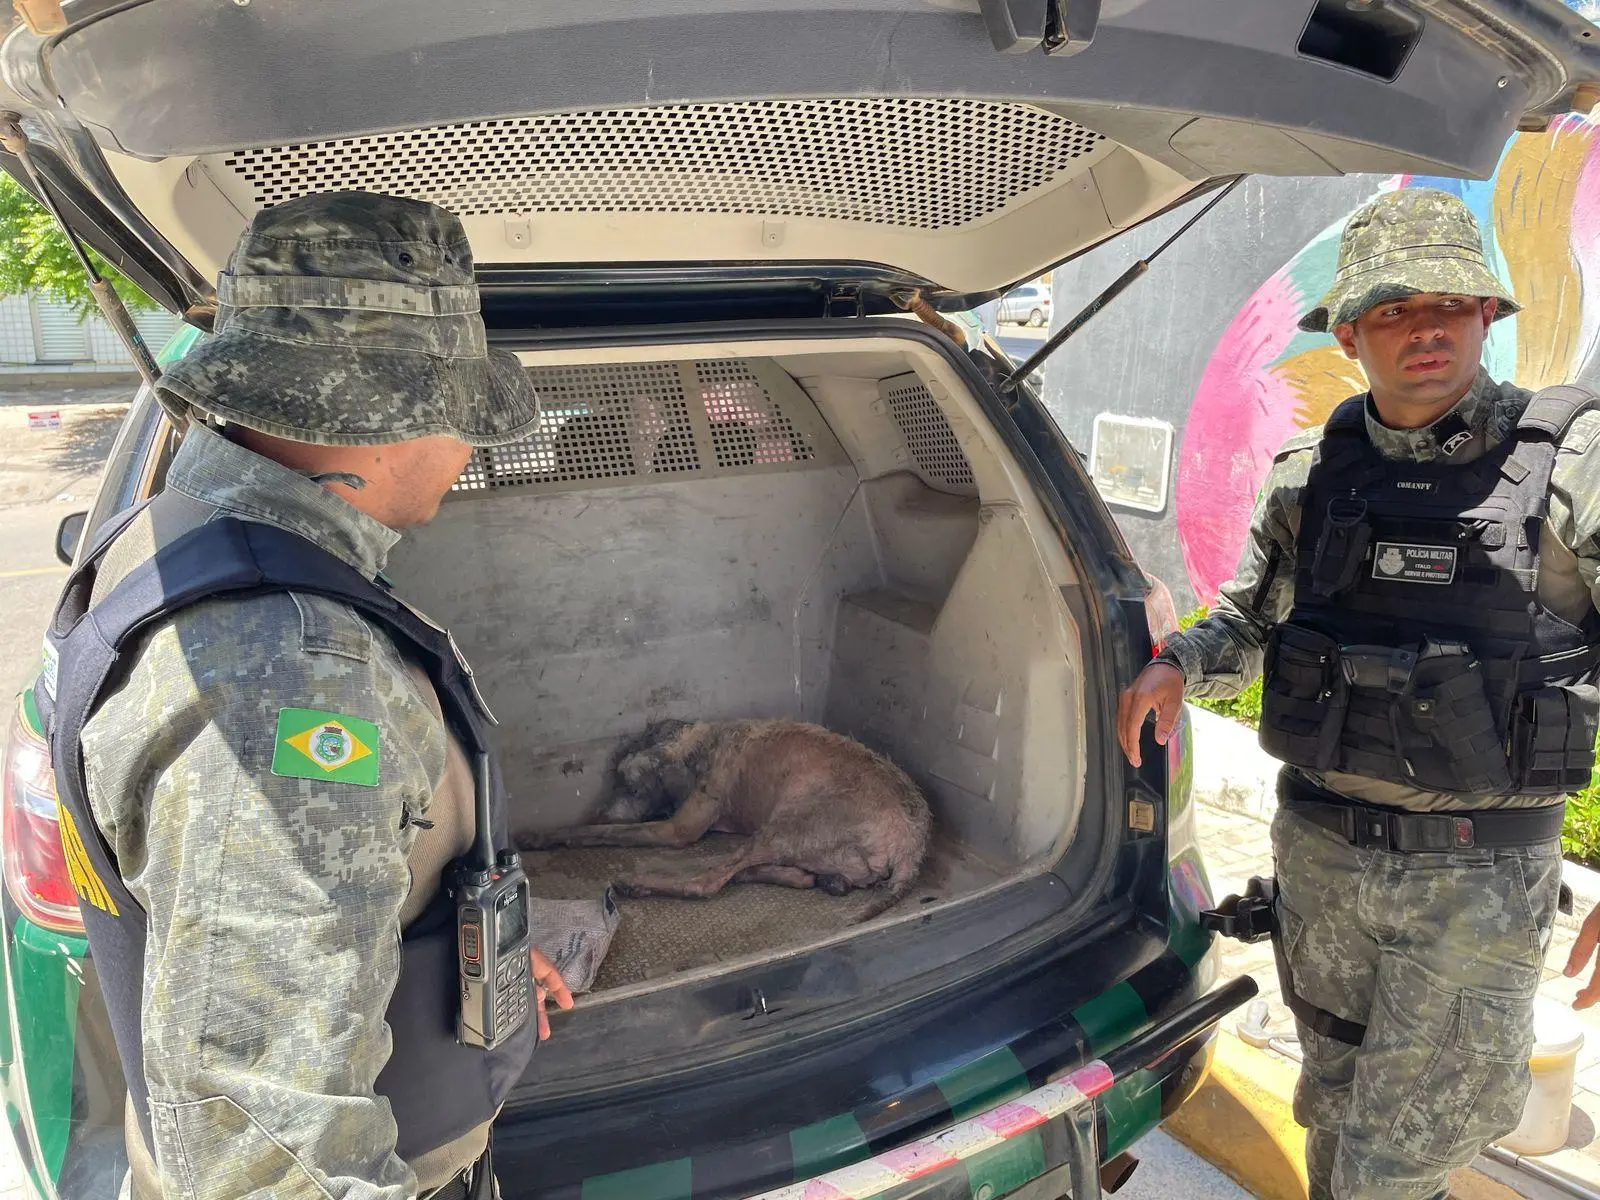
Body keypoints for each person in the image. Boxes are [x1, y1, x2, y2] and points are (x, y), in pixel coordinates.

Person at [34, 191, 573, 1199]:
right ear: (384, 418)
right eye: (460, 418)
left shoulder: (186, 534)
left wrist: (458, 973)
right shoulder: (290, 673)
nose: (469, 453)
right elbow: (265, 1149)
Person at [1117, 188, 1600, 1200]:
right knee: (1331, 1116)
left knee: (1395, 1161)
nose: (1425, 326)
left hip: (1476, 884)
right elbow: (1251, 621)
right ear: (1347, 334)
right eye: (1392, 308)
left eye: (1450, 305)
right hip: (1322, 865)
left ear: (1487, 318)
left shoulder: (1571, 468)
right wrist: (1176, 665)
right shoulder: (1310, 476)